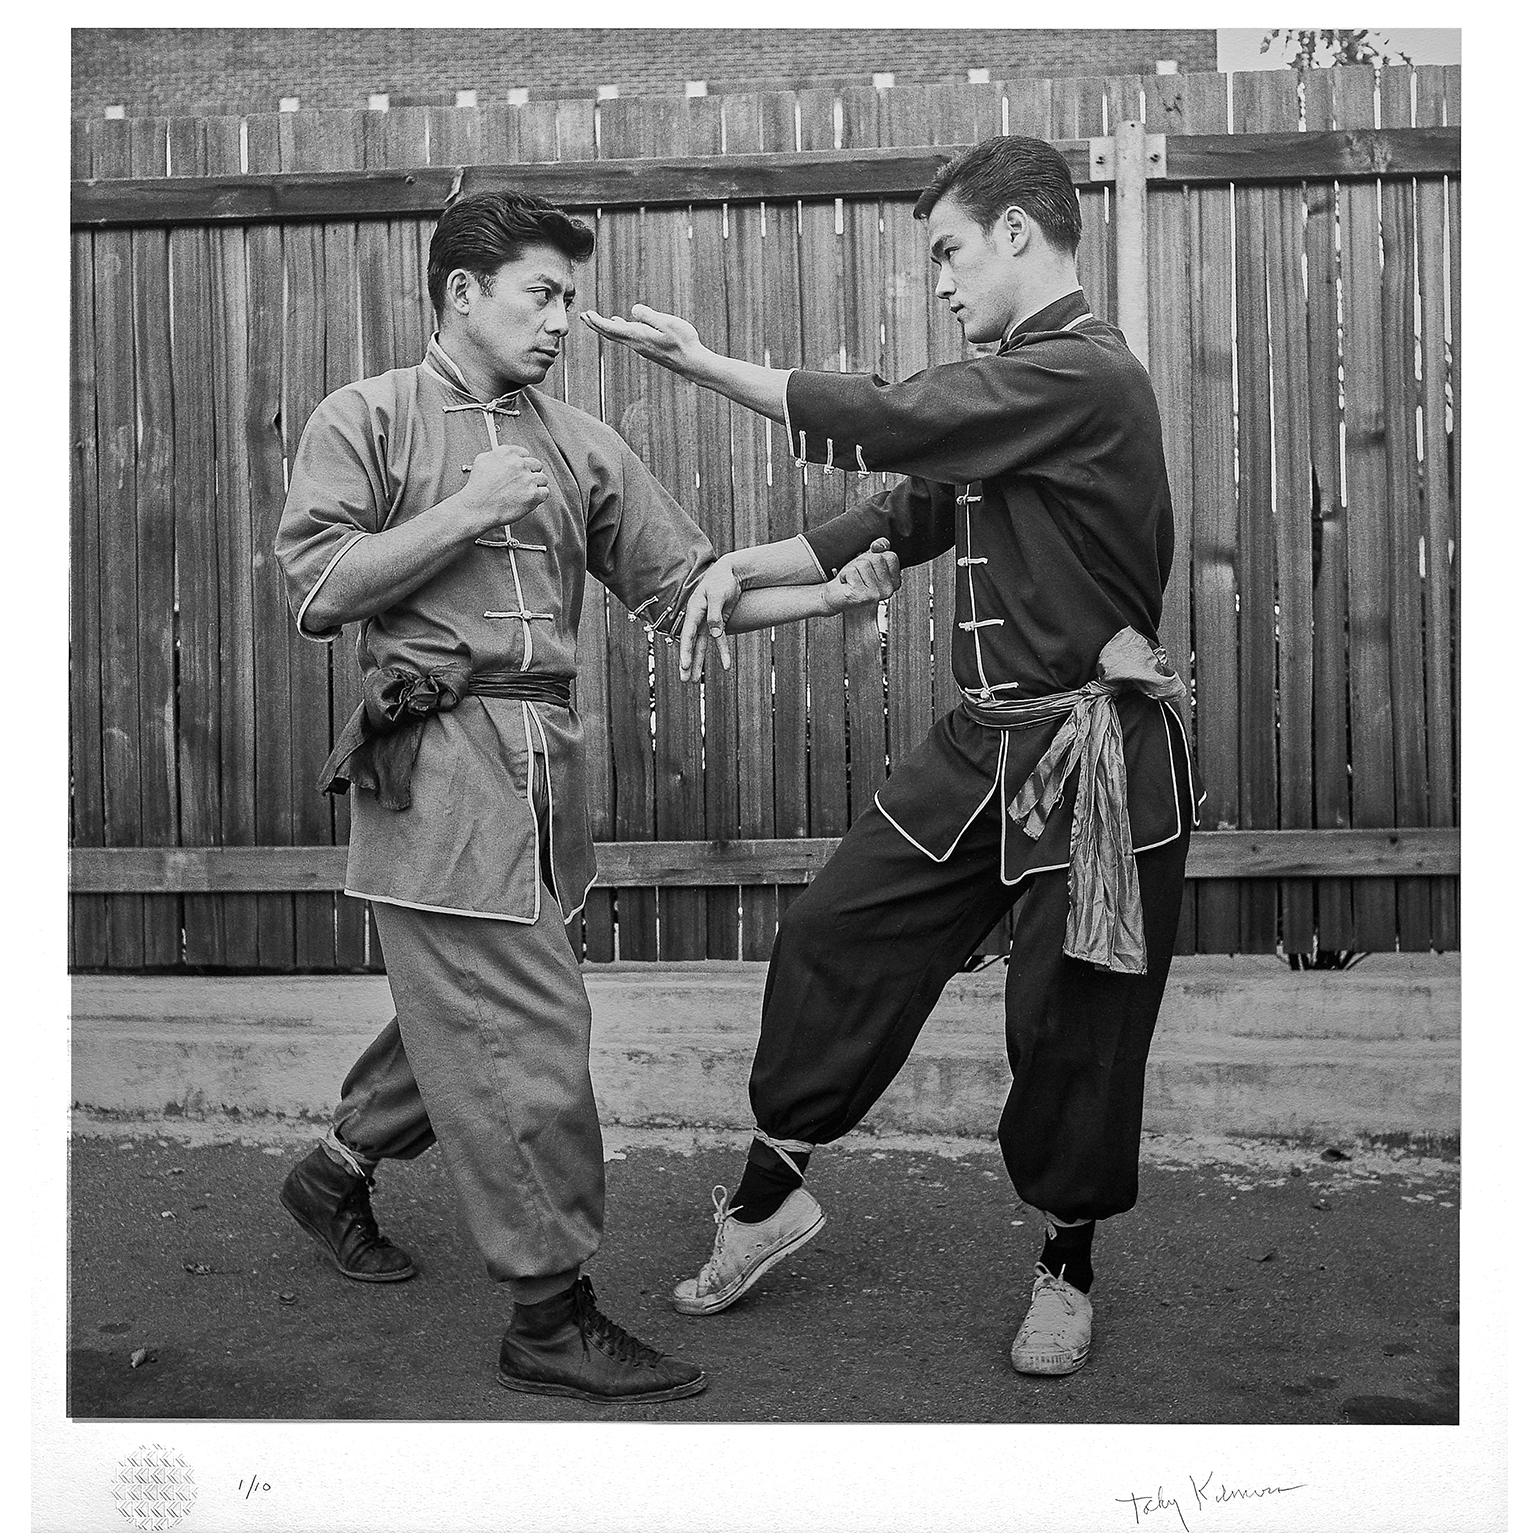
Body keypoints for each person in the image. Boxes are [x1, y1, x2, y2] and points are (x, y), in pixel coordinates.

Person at [584, 134, 1202, 1377]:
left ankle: (1068, 1266)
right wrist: (728, 570)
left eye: (950, 251)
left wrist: (706, 366)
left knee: (1070, 1026)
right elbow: (894, 513)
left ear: (1019, 233)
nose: (940, 280)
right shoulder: (1011, 396)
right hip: (982, 750)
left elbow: (890, 419)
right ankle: (770, 1201)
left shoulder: (1083, 375)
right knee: (834, 935)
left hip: (1092, 762)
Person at [273, 190, 899, 1404]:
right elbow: (316, 591)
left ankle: (336, 1169)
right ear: (463, 292)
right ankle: (547, 1318)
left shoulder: (581, 441)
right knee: (531, 1038)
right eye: (541, 294)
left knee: (470, 1011)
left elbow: (687, 590)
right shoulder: (368, 418)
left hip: (547, 775)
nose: (563, 319)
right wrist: (466, 509)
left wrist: (829, 598)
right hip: (439, 771)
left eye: (569, 296)